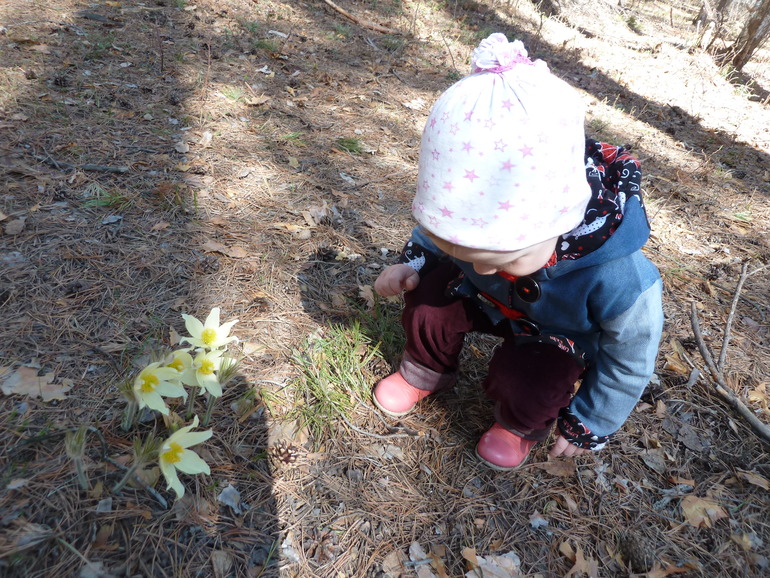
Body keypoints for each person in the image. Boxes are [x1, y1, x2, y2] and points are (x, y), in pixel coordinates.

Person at [372, 33, 664, 470]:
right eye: (462, 247)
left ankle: (518, 424)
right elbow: (434, 236)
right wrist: (412, 262)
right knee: (430, 300)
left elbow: (630, 358)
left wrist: (590, 421)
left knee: (534, 381)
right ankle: (425, 370)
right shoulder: (473, 243)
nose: (481, 264)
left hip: (555, 338)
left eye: (503, 256)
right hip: (480, 299)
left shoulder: (617, 274)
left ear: (560, 220)